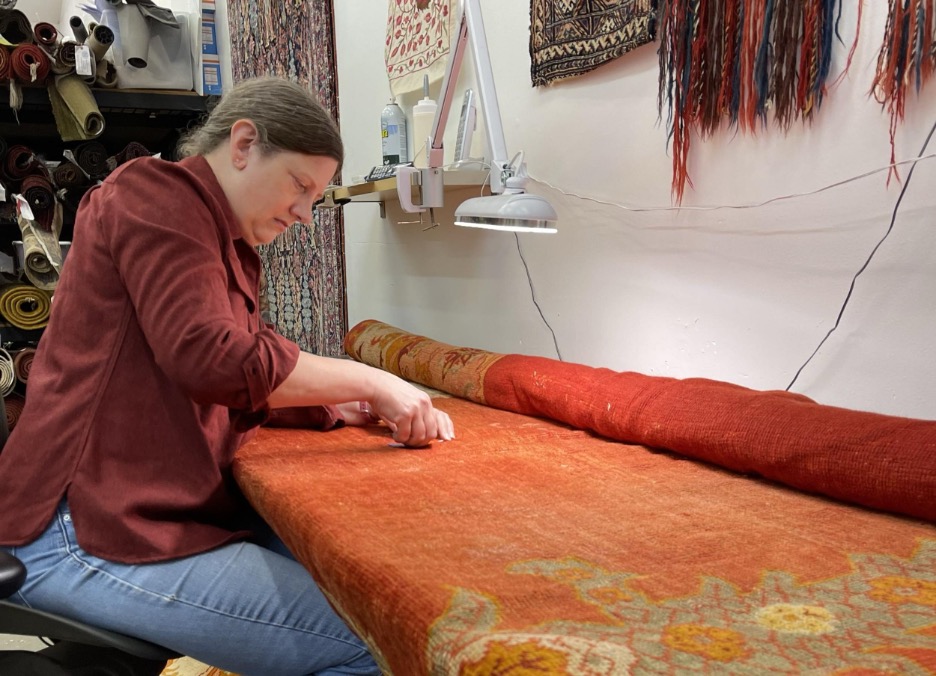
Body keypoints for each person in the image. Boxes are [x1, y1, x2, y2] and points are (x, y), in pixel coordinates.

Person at [0, 76, 454, 675]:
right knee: (384, 644)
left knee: (368, 577)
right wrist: (367, 380)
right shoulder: (153, 194)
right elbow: (210, 356)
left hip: (138, 510)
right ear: (242, 144)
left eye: (316, 198)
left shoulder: (225, 244)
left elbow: (222, 375)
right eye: (299, 186)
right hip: (76, 528)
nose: (303, 213)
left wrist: (328, 406)